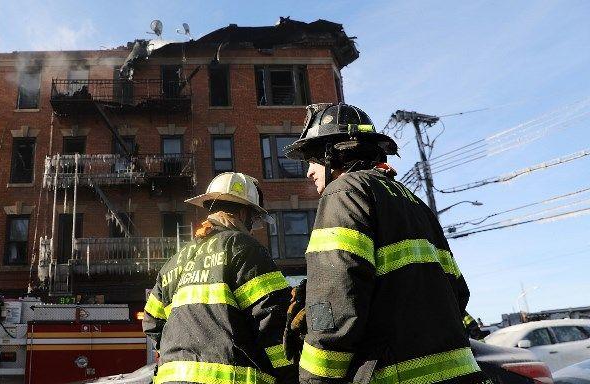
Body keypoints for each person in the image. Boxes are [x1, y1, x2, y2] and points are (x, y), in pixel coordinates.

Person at [283, 103, 489, 383]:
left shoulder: (344, 192)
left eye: (312, 159)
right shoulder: (414, 202)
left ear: (331, 153)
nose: (309, 171)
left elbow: (336, 301)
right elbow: (458, 291)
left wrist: (314, 379)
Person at [142, 172, 295, 384]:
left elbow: (151, 323)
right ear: (243, 214)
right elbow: (272, 321)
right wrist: (290, 374)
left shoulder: (175, 261)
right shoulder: (244, 248)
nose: (252, 227)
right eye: (252, 219)